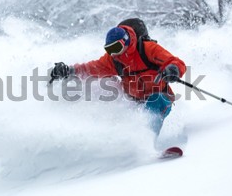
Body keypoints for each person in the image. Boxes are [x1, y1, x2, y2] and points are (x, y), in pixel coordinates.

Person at [50, 18, 186, 149]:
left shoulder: (148, 48)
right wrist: (70, 70)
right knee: (108, 94)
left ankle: (146, 144)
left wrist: (172, 70)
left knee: (155, 102)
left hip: (161, 97)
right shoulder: (114, 60)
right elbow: (92, 68)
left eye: (117, 47)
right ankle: (112, 145)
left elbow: (175, 62)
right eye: (110, 49)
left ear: (126, 42)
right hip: (134, 103)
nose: (114, 53)